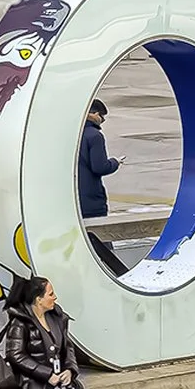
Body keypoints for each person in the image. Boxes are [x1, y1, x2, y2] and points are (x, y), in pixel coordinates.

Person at [79, 101, 129, 276]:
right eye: (102, 116)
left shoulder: (72, 134)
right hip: (92, 200)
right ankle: (117, 278)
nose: (102, 121)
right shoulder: (94, 136)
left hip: (74, 199)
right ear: (93, 113)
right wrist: (115, 162)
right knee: (103, 244)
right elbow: (99, 167)